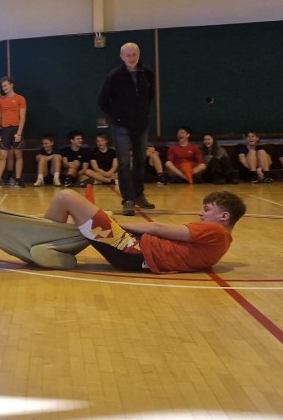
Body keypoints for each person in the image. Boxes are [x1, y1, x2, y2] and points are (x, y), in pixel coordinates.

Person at [42, 188, 245, 273]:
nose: (200, 213)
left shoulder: (216, 231)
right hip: (135, 253)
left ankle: (39, 241)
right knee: (76, 215)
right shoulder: (223, 242)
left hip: (133, 249)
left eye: (207, 209)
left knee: (66, 197)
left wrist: (117, 224)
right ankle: (53, 251)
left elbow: (158, 228)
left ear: (224, 216)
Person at [98, 42, 156, 216]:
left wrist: (142, 113)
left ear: (139, 54)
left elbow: (150, 96)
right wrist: (117, 116)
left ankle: (139, 195)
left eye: (134, 54)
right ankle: (128, 200)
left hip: (141, 125)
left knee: (140, 161)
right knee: (124, 162)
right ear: (122, 57)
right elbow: (102, 101)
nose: (131, 58)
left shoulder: (147, 73)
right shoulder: (114, 76)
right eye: (128, 55)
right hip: (121, 126)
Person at [0, 76, 27, 188]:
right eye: (3, 86)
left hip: (16, 129)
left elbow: (23, 117)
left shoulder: (20, 99)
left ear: (11, 85)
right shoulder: (0, 100)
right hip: (4, 131)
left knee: (18, 154)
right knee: (2, 155)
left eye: (6, 85)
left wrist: (19, 133)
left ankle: (18, 179)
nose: (4, 88)